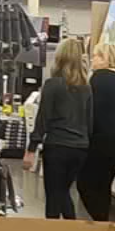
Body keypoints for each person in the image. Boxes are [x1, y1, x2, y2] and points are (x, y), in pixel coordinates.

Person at [24, 38, 93, 219]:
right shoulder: (86, 87)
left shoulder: (53, 84)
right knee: (63, 192)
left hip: (57, 146)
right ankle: (71, 230)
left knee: (54, 196)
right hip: (80, 149)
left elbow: (43, 118)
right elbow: (90, 122)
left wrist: (31, 149)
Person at [78, 42, 115, 221]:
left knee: (85, 183)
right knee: (104, 184)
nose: (92, 59)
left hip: (99, 142)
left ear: (105, 59)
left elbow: (89, 112)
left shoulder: (97, 80)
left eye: (96, 56)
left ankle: (99, 219)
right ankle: (103, 221)